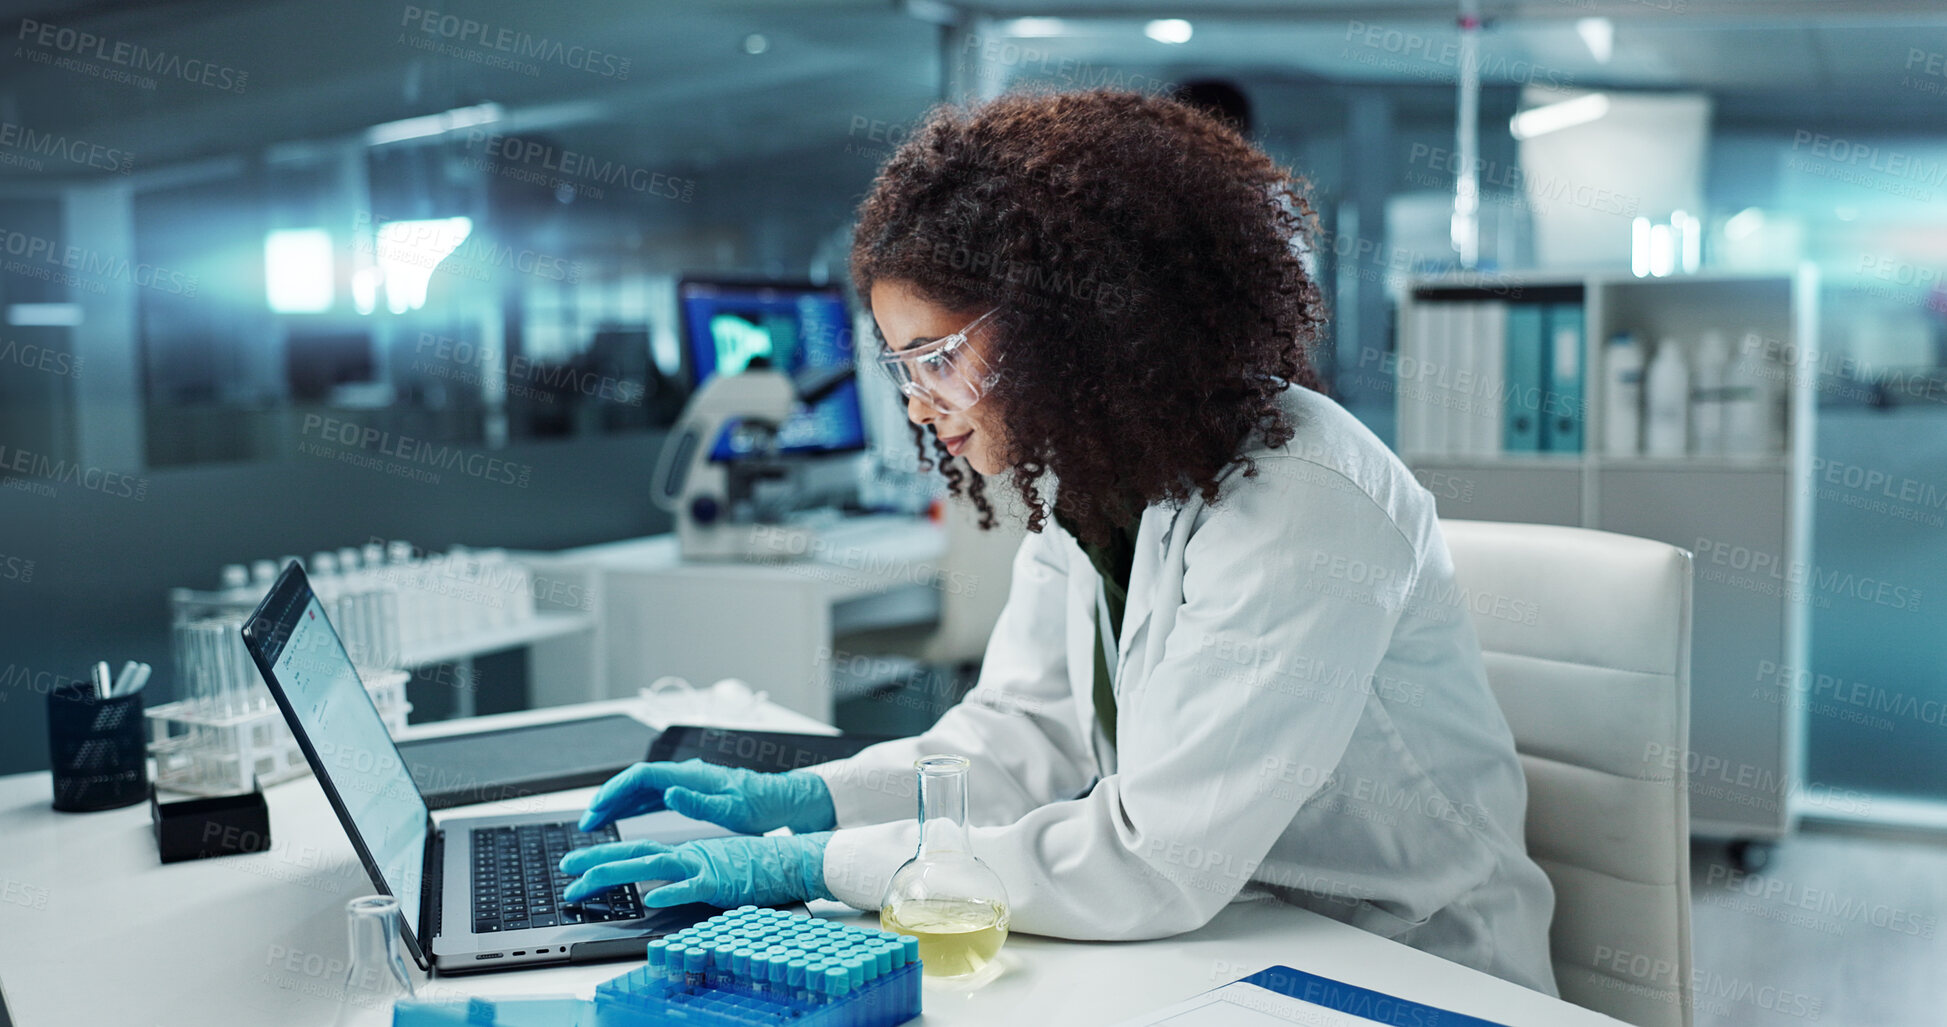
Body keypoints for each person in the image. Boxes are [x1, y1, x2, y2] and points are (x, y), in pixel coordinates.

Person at [558, 88, 1559, 996]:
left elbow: (1152, 857)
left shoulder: (1302, 497)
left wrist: (808, 865)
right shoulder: (1089, 475)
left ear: (1071, 323)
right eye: (902, 367)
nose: (920, 406)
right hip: (1231, 928)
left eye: (939, 360)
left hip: (1407, 965)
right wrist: (804, 800)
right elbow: (1015, 740)